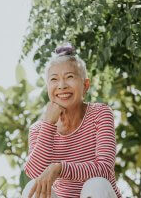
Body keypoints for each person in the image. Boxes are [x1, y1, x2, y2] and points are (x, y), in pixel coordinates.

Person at [22, 43, 122, 198]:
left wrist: (60, 168)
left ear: (85, 85)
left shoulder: (100, 113)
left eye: (69, 77)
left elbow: (104, 168)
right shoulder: (38, 129)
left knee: (96, 184)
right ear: (48, 87)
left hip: (98, 193)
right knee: (32, 188)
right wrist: (48, 125)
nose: (61, 86)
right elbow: (35, 173)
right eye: (54, 79)